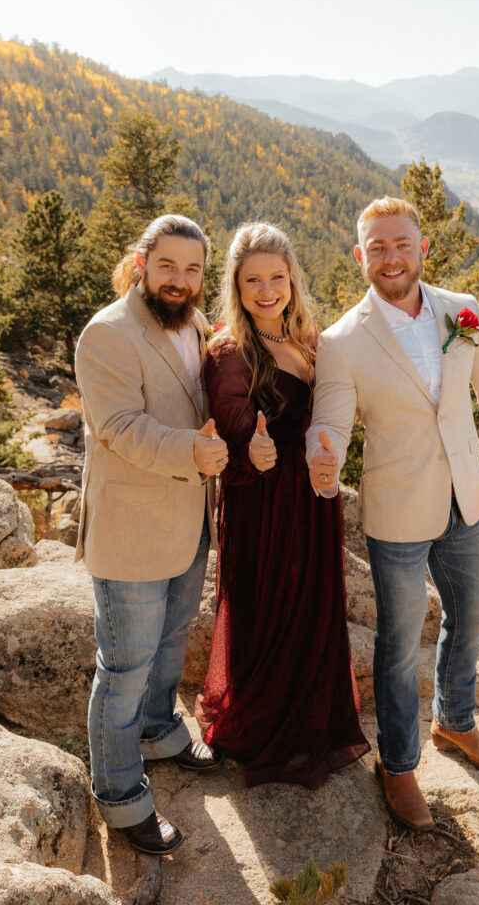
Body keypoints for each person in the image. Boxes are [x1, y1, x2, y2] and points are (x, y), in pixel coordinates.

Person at [306, 197, 479, 831]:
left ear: (422, 248)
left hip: (467, 497)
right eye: (376, 248)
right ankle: (399, 764)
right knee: (400, 641)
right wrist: (321, 457)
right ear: (360, 257)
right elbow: (329, 420)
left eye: (401, 244)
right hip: (398, 506)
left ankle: (456, 721)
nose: (390, 257)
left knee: (473, 614)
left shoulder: (462, 311)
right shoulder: (342, 341)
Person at [195, 221, 370, 789]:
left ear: (293, 279)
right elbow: (233, 436)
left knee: (314, 608)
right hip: (264, 505)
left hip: (312, 497)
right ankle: (264, 726)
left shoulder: (309, 339)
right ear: (236, 285)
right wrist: (255, 450)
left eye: (277, 277)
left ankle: (310, 718)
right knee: (269, 613)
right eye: (253, 281)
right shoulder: (228, 352)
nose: (267, 290)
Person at [75, 214, 227, 856]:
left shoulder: (192, 324)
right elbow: (118, 426)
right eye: (168, 265)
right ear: (141, 264)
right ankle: (120, 798)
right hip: (132, 527)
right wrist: (193, 451)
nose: (180, 279)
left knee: (169, 644)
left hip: (188, 519)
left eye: (193, 268)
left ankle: (161, 731)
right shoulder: (107, 333)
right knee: (125, 668)